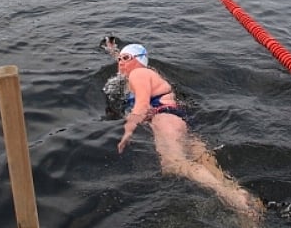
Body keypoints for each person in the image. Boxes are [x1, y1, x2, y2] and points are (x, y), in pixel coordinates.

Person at [105, 40, 264, 224]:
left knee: (174, 164)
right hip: (177, 119)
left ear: (139, 60)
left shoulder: (138, 74)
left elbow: (141, 106)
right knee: (208, 166)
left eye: (125, 58)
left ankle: (234, 200)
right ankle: (244, 198)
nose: (120, 62)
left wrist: (127, 132)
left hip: (165, 121)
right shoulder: (145, 72)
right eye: (118, 59)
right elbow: (129, 61)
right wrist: (112, 50)